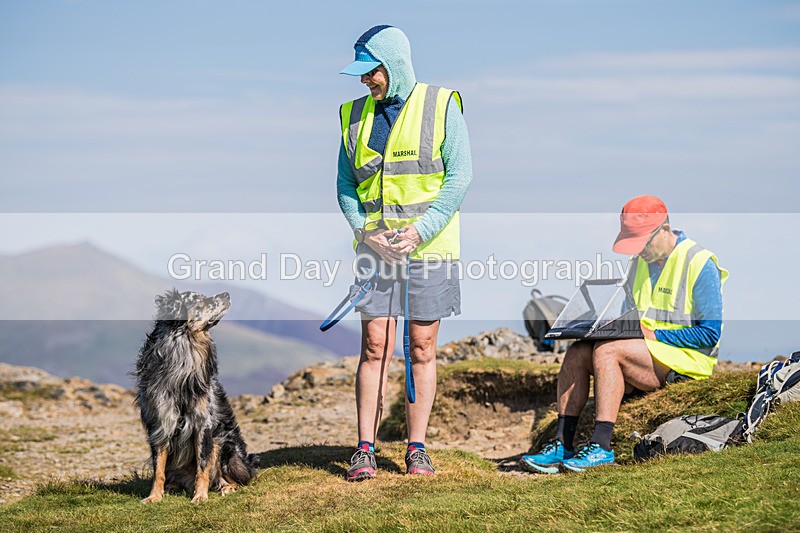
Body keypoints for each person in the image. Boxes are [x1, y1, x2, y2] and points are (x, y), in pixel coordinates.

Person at [336, 25, 472, 481]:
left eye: (370, 72)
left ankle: (417, 449)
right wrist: (364, 231)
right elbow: (345, 186)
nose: (364, 81)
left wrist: (420, 232)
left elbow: (459, 178)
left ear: (392, 65)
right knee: (374, 345)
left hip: (429, 249)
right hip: (375, 251)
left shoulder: (441, 104)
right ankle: (364, 449)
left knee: (421, 347)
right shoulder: (352, 116)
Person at [520, 195, 728, 473]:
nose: (640, 250)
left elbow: (710, 334)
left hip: (688, 362)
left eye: (643, 242)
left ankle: (601, 447)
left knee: (608, 351)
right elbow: (629, 314)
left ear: (665, 229)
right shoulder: (639, 262)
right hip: (644, 353)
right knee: (579, 350)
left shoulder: (700, 263)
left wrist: (655, 336)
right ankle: (562, 443)